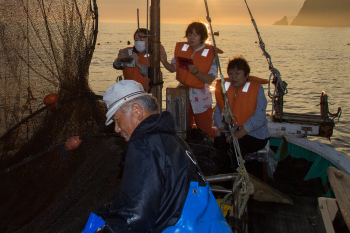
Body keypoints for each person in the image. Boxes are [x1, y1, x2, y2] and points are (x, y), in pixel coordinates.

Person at [67, 80, 230, 233]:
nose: (116, 129)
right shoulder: (174, 140)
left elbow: (135, 219)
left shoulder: (144, 145)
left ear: (137, 111)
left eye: (117, 120)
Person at [160, 22, 219, 138]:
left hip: (201, 98)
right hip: (183, 94)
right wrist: (164, 61)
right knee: (182, 127)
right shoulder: (182, 50)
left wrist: (197, 73)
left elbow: (210, 78)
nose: (191, 37)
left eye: (196, 34)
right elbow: (173, 68)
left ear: (202, 36)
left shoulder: (211, 54)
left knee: (205, 130)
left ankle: (211, 144)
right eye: (190, 34)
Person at [213, 56, 270, 161]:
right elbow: (218, 111)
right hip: (231, 132)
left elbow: (259, 117)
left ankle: (238, 174)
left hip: (254, 135)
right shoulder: (225, 90)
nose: (233, 77)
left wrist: (240, 133)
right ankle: (223, 174)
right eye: (230, 73)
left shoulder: (257, 90)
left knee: (236, 146)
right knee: (218, 143)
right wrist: (221, 128)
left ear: (246, 75)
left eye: (237, 73)